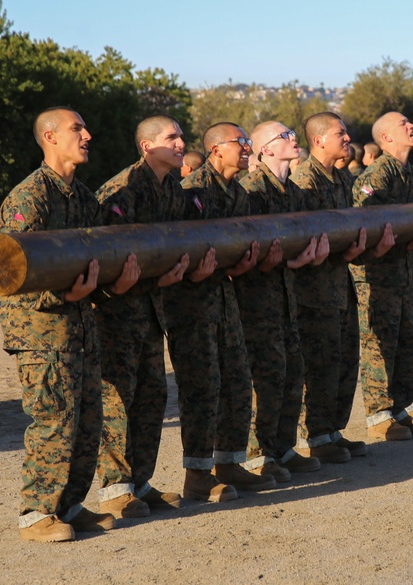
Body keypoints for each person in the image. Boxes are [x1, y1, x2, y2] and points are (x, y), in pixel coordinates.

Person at [0, 107, 139, 541]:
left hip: (80, 327)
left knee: (88, 419)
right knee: (53, 420)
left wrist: (114, 286)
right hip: (41, 334)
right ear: (50, 137)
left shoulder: (82, 198)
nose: (88, 134)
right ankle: (35, 514)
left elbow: (90, 268)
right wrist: (62, 295)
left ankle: (70, 505)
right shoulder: (28, 198)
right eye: (77, 128)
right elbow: (8, 272)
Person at [95, 114, 197, 518]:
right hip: (118, 310)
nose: (180, 143)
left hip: (152, 307)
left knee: (152, 394)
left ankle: (140, 481)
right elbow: (108, 255)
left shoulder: (172, 187)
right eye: (171, 137)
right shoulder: (123, 189)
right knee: (118, 397)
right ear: (146, 146)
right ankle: (115, 489)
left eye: (181, 136)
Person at [167, 122, 276, 498]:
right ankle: (197, 474)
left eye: (249, 142)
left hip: (225, 302)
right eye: (241, 143)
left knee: (235, 381)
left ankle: (228, 462)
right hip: (191, 306)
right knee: (202, 387)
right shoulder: (191, 192)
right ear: (216, 150)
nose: (248, 148)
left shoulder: (237, 193)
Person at [236, 121, 328, 481]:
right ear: (266, 150)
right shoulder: (252, 191)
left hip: (288, 296)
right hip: (258, 301)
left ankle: (283, 448)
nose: (293, 139)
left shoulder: (293, 191)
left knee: (292, 372)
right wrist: (295, 260)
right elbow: (245, 250)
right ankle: (260, 456)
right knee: (266, 376)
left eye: (292, 134)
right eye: (283, 136)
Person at [290, 112, 369, 461]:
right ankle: (317, 437)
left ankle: (333, 431)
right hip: (314, 292)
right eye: (341, 133)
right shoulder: (305, 181)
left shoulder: (339, 179)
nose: (347, 138)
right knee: (319, 364)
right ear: (319, 140)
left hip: (339, 285)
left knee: (342, 361)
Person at [351, 111, 413, 441]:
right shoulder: (376, 175)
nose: (411, 126)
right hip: (376, 274)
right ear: (385, 138)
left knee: (407, 341)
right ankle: (378, 416)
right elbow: (365, 224)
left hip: (402, 271)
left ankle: (399, 408)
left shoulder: (409, 173)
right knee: (378, 344)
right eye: (403, 125)